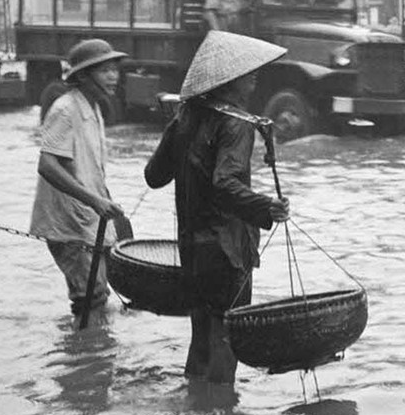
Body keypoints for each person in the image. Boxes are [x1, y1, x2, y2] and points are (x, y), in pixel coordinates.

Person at [144, 30, 291, 384]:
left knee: (201, 335)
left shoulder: (185, 118)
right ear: (230, 81)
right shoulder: (236, 123)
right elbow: (225, 185)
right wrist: (268, 207)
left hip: (192, 250)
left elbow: (153, 175)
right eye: (248, 72)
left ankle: (196, 407)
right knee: (227, 338)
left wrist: (175, 129)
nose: (255, 76)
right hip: (227, 252)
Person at [29, 39, 129, 317]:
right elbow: (47, 165)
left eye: (114, 70)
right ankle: (86, 356)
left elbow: (90, 169)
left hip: (88, 220)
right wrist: (94, 200)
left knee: (96, 297)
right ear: (83, 75)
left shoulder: (93, 107)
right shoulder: (65, 109)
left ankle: (89, 353)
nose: (113, 77)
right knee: (91, 298)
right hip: (70, 223)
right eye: (104, 71)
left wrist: (106, 203)